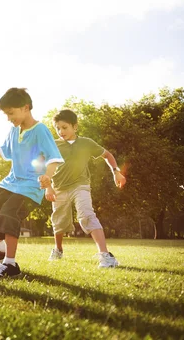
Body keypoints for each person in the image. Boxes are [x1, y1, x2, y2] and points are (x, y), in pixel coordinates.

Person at [0, 88, 64, 278]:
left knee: (8, 214)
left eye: (11, 113)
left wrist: (48, 175)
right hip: (10, 182)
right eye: (6, 114)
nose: (8, 118)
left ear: (25, 108)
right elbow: (6, 152)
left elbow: (53, 157)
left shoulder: (40, 130)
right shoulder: (14, 130)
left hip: (30, 186)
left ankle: (10, 264)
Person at [45, 109, 126, 268]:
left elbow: (108, 155)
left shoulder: (86, 143)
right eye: (57, 128)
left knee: (86, 215)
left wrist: (116, 172)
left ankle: (105, 256)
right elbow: (46, 168)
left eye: (64, 127)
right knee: (59, 222)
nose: (61, 132)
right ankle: (58, 249)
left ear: (75, 127)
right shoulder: (53, 145)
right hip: (59, 188)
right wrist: (48, 187)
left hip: (80, 185)